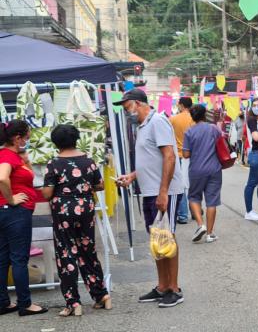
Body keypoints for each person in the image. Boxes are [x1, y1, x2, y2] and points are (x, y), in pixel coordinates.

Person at [113, 88, 185, 307]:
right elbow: (151, 159)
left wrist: (163, 191)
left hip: (164, 191)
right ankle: (162, 286)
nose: (126, 112)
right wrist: (133, 176)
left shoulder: (158, 122)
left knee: (166, 237)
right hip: (150, 189)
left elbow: (169, 157)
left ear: (138, 103)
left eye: (127, 108)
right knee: (157, 239)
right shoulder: (143, 127)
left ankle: (174, 288)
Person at [42, 125, 111, 317]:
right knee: (88, 251)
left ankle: (73, 302)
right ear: (76, 139)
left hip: (63, 211)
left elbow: (47, 192)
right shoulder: (88, 160)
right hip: (85, 209)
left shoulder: (54, 163)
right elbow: (99, 185)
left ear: (56, 143)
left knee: (66, 253)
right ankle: (101, 295)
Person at [0, 120, 48, 316]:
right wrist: (11, 199)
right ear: (17, 138)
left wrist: (25, 159)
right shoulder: (7, 156)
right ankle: (25, 303)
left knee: (3, 259)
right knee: (19, 258)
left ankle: (3, 302)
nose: (28, 140)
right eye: (26, 137)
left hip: (5, 212)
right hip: (15, 213)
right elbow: (2, 178)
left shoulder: (10, 155)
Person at [183, 104, 222, 243]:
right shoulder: (214, 129)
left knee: (194, 197)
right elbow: (221, 144)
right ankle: (210, 234)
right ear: (205, 115)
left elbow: (186, 154)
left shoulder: (189, 132)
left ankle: (201, 225)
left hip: (196, 170)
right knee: (212, 201)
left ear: (192, 117)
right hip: (214, 169)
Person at [170, 97, 194, 224]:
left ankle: (183, 215)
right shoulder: (194, 119)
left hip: (179, 155)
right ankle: (196, 211)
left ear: (181, 105)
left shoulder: (173, 119)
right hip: (193, 156)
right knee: (193, 185)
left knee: (180, 186)